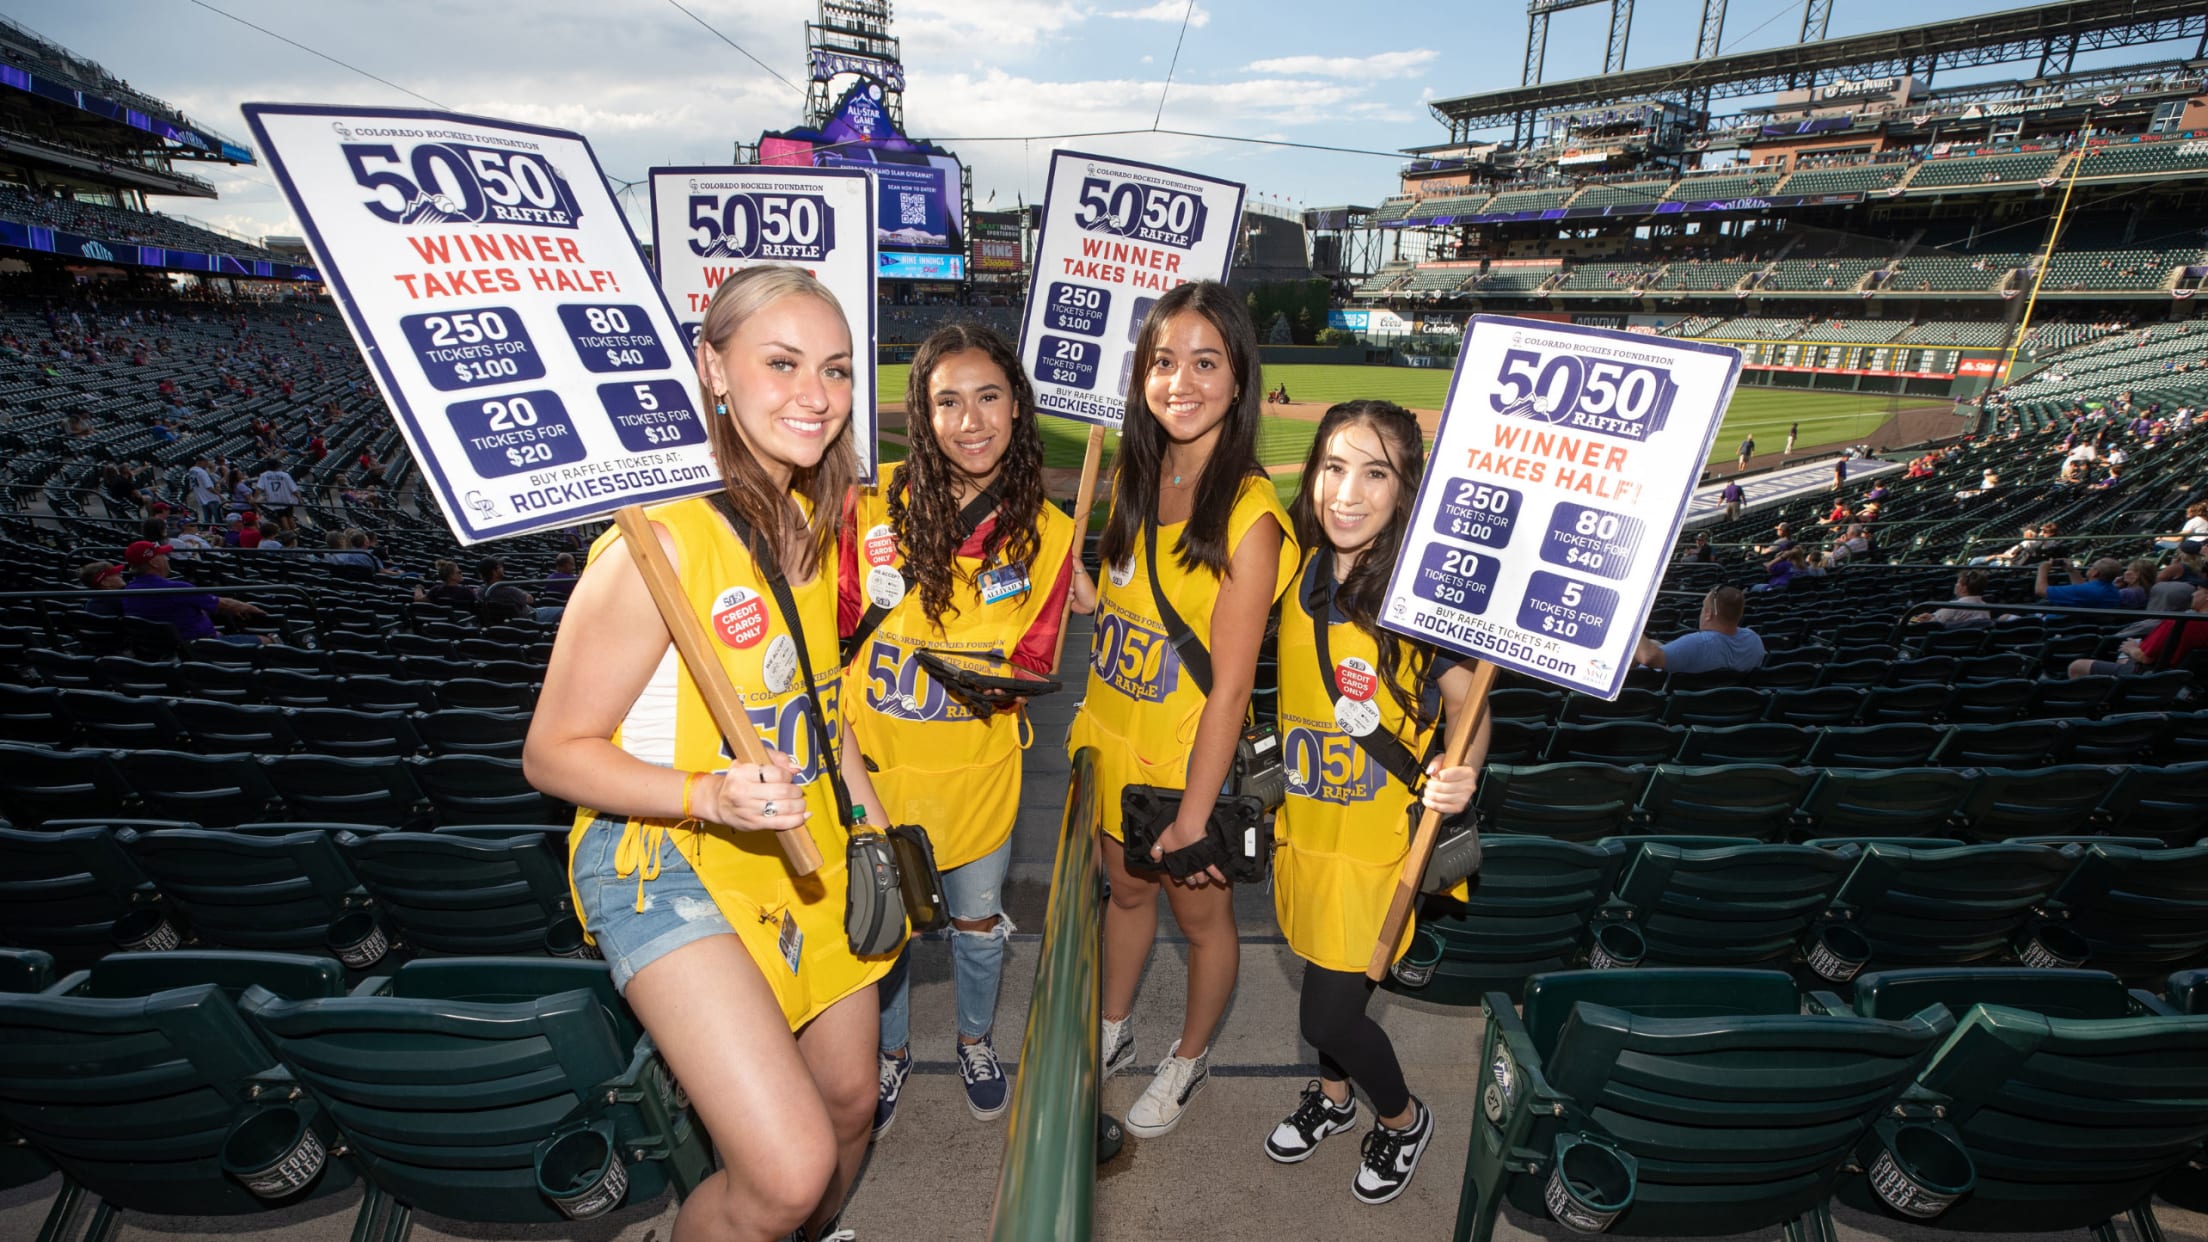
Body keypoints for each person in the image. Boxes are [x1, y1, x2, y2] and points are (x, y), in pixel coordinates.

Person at [523, 266, 895, 1242]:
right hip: (661, 855)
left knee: (852, 1101)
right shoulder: (659, 541)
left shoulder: (813, 521)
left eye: (837, 369)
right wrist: (707, 793)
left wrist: (870, 822)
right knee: (788, 1168)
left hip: (799, 837)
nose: (816, 395)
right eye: (782, 364)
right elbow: (552, 753)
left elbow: (820, 711)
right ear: (713, 368)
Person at [846, 324, 1092, 1137]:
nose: (971, 419)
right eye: (947, 400)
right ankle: (891, 1053)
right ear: (923, 412)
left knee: (977, 929)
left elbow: (1031, 663)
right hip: (871, 776)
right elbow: (829, 631)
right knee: (881, 930)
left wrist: (992, 670)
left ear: (1017, 407)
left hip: (979, 779)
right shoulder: (866, 504)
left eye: (989, 396)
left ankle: (975, 1038)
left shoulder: (1052, 536)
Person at [1070, 281, 1299, 1140]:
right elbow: (1123, 594)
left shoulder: (1250, 515)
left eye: (1206, 362)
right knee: (1124, 898)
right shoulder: (1138, 469)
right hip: (1110, 736)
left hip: (1182, 764)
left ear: (1239, 380)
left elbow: (1232, 687)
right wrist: (1082, 587)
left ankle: (1190, 1055)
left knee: (1200, 922)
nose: (1181, 381)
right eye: (1163, 361)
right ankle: (1113, 1026)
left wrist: (1198, 818)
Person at [1264, 400, 1485, 1203]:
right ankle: (1333, 1096)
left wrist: (1461, 772)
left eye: (1375, 472)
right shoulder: (1297, 566)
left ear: (1406, 489)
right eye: (1333, 466)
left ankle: (1400, 1118)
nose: (1346, 493)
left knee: (1326, 1016)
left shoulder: (1425, 593)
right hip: (1306, 830)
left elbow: (1470, 710)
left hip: (1377, 848)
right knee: (1325, 981)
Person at [119, 541, 268, 645]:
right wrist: (253, 609)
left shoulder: (128, 591)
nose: (166, 558)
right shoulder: (177, 589)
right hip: (200, 647)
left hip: (173, 647)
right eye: (162, 556)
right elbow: (224, 605)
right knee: (268, 641)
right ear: (154, 562)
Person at [2067, 582, 2208, 678]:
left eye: (2198, 591)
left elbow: (2145, 657)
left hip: (2151, 675)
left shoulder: (2178, 621)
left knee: (2077, 666)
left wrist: (2131, 648)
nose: (2193, 595)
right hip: (2181, 676)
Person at [1632, 585, 1764, 673]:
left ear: (1708, 614)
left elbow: (1649, 657)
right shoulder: (1754, 640)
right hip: (1721, 706)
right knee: (1654, 644)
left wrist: (1629, 625)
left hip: (1679, 706)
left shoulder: (1699, 644)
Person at [2036, 556, 2124, 610]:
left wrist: (2043, 569)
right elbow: (2083, 588)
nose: (2090, 568)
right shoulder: (2113, 590)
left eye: (2092, 567)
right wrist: (2071, 570)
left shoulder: (2090, 591)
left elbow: (2041, 591)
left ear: (2095, 573)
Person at [1914, 569, 1995, 627]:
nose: (1955, 585)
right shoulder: (1985, 607)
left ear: (1964, 588)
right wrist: (1932, 616)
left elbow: (1930, 625)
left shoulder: (1953, 606)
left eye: (1958, 583)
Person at [476, 556, 534, 623]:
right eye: (500, 567)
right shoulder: (511, 591)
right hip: (526, 621)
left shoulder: (480, 591)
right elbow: (530, 600)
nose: (503, 568)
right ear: (494, 572)